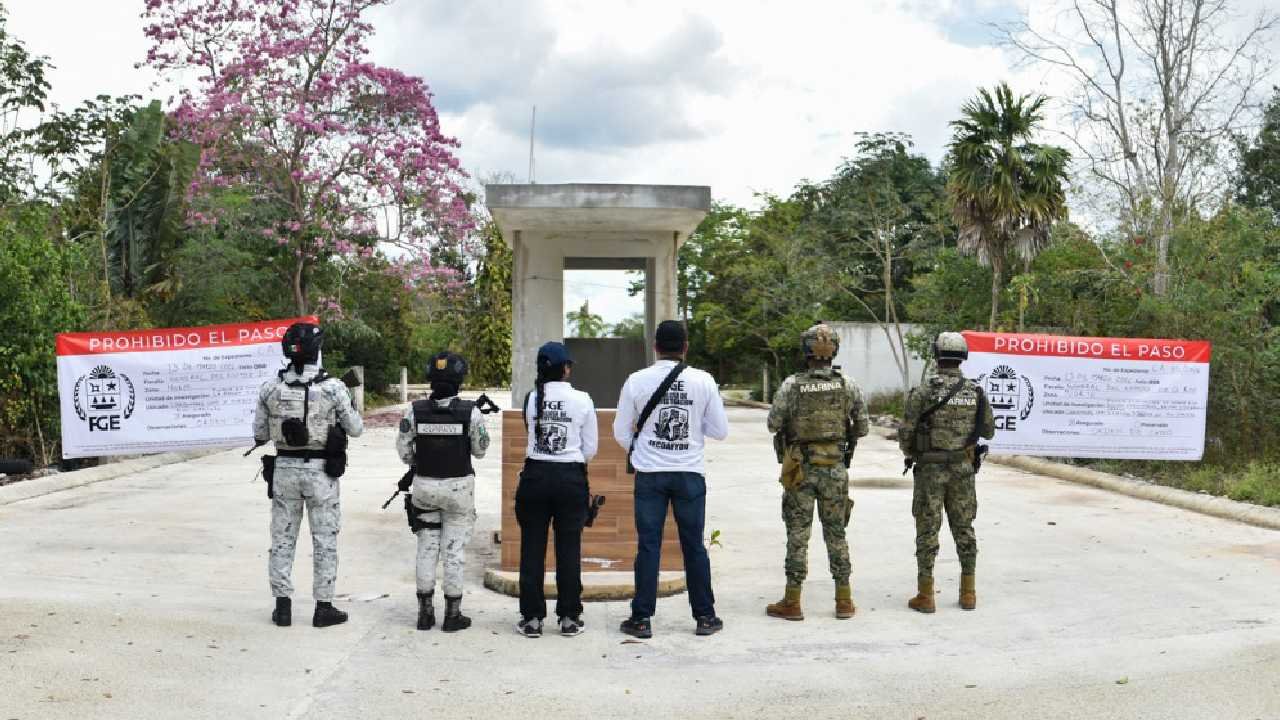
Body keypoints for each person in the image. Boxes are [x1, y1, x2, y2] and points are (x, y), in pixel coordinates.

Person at [613, 320, 728, 638]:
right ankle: (705, 617)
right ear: (686, 346)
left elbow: (620, 432)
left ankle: (641, 619)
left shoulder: (636, 381)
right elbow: (720, 430)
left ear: (655, 346)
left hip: (650, 475)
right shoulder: (703, 381)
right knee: (694, 546)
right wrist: (691, 433)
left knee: (649, 546)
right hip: (690, 474)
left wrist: (643, 450)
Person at [253, 322, 363, 628]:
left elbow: (260, 433)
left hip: (285, 469)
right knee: (324, 539)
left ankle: (283, 606)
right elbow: (356, 428)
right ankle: (323, 607)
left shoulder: (270, 388)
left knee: (282, 538)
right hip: (320, 473)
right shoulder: (333, 388)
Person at [764, 323, 869, 621]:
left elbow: (773, 424)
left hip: (800, 471)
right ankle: (844, 600)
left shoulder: (791, 385)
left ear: (806, 350)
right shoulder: (848, 384)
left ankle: (793, 601)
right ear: (834, 350)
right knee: (837, 533)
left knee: (798, 535)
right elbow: (862, 427)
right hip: (835, 468)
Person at [898, 331, 995, 613]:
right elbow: (988, 430)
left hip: (929, 468)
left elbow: (906, 432)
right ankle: (968, 593)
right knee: (964, 527)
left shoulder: (924, 391)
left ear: (937, 356)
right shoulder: (975, 392)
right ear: (962, 357)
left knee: (928, 528)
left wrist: (912, 453)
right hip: (963, 469)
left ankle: (926, 595)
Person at [394, 352, 490, 632]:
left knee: (426, 549)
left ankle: (425, 614)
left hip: (424, 486)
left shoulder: (415, 410)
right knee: (453, 551)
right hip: (459, 488)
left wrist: (419, 462)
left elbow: (403, 450)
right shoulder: (470, 412)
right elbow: (480, 451)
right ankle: (453, 614)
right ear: (459, 380)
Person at [514, 341, 598, 638]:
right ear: (566, 368)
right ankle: (569, 617)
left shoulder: (530, 399)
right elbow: (591, 448)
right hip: (570, 478)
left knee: (532, 549)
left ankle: (532, 619)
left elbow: (531, 436)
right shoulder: (583, 399)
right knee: (569, 549)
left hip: (535, 476)